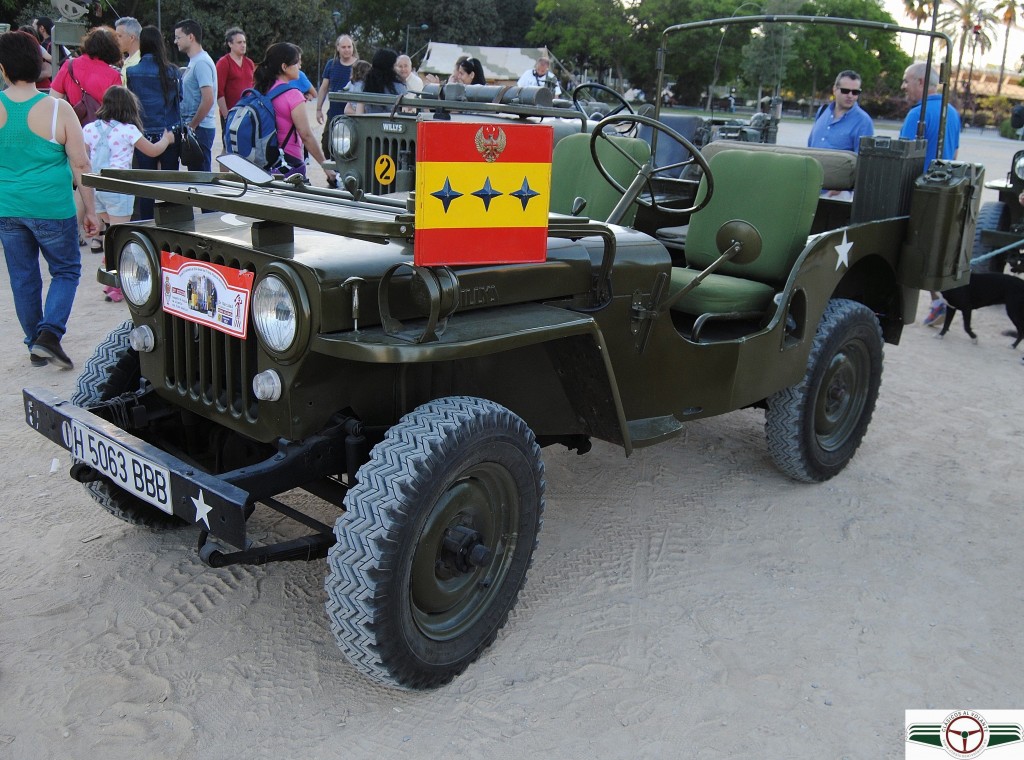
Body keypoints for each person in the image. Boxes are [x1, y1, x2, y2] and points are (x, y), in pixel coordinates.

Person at [0, 30, 99, 369]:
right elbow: (81, 164)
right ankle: (50, 334)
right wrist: (91, 209)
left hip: (8, 208)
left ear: (2, 69)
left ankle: (35, 342)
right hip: (52, 208)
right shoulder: (60, 110)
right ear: (39, 66)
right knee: (67, 269)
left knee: (23, 277)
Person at [82, 86, 173, 300]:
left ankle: (109, 276)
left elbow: (84, 159)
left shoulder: (90, 128)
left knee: (110, 234)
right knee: (121, 236)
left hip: (98, 188)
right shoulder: (128, 130)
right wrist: (167, 140)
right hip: (119, 189)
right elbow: (152, 151)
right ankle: (118, 283)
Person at [899, 62, 962, 327]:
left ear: (922, 83)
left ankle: (924, 303)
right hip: (941, 193)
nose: (903, 86)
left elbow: (901, 157)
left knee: (908, 250)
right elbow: (955, 153)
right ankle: (941, 301)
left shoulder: (918, 114)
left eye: (906, 81)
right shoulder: (952, 113)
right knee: (931, 250)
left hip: (916, 193)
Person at [252, 42, 335, 184]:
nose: (300, 66)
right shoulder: (293, 95)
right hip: (288, 162)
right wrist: (326, 167)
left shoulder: (261, 89)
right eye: (296, 63)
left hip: (263, 161)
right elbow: (306, 136)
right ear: (284, 67)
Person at [125, 26, 183, 218]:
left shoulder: (133, 72)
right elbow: (179, 100)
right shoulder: (173, 72)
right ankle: (173, 223)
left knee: (146, 187)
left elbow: (132, 103)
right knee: (171, 185)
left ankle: (147, 225)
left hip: (144, 133)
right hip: (169, 132)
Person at [173, 19, 217, 172]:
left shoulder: (201, 63)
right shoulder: (195, 61)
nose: (175, 41)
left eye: (178, 37)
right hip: (197, 128)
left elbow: (208, 99)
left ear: (190, 37)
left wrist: (192, 125)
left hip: (201, 129)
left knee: (201, 177)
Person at [50, 26, 122, 110]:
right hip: (100, 121)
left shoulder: (69, 66)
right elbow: (116, 110)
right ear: (113, 49)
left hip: (73, 120)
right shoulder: (114, 75)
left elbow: (53, 100)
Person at [808, 71, 874, 155]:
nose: (850, 95)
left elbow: (863, 160)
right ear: (834, 90)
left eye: (855, 92)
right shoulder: (822, 111)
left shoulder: (863, 121)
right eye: (845, 91)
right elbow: (810, 145)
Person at [216, 27, 254, 137]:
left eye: (244, 42)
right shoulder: (224, 63)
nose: (243, 45)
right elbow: (219, 92)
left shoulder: (249, 63)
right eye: (239, 42)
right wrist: (226, 116)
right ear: (230, 44)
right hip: (231, 113)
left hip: (247, 114)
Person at [347, 49, 406, 115]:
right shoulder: (400, 88)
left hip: (370, 124)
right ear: (390, 68)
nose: (398, 68)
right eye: (396, 65)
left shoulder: (365, 86)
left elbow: (359, 114)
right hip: (392, 124)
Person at [316, 34, 357, 124]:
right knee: (327, 138)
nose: (347, 50)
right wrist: (318, 109)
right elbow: (324, 88)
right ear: (338, 48)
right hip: (334, 115)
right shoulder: (331, 64)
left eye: (349, 47)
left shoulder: (359, 65)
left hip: (353, 116)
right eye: (343, 47)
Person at [114, 16, 141, 84]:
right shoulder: (129, 60)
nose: (116, 40)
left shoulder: (139, 62)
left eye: (119, 36)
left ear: (132, 38)